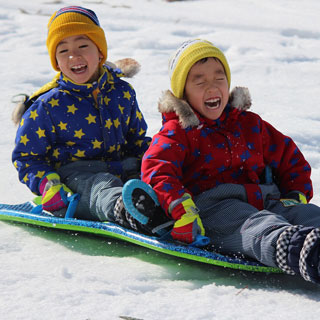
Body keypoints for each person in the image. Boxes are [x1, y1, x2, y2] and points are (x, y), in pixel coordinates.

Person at [125, 39, 320, 284]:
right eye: (199, 81)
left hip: (264, 198)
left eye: (219, 78)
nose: (212, 87)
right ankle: (303, 251)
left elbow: (287, 155)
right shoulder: (178, 132)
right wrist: (180, 208)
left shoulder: (249, 124)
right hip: (213, 208)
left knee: (307, 214)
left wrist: (296, 193)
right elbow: (157, 170)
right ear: (183, 92)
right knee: (259, 226)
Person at [12, 6, 152, 225]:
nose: (73, 55)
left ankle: (162, 208)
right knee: (101, 186)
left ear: (100, 52)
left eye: (83, 45)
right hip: (75, 179)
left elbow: (137, 139)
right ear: (56, 62)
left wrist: (154, 163)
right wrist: (47, 184)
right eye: (63, 50)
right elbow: (27, 157)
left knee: (147, 179)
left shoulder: (122, 92)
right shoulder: (48, 105)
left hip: (122, 167)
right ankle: (126, 211)